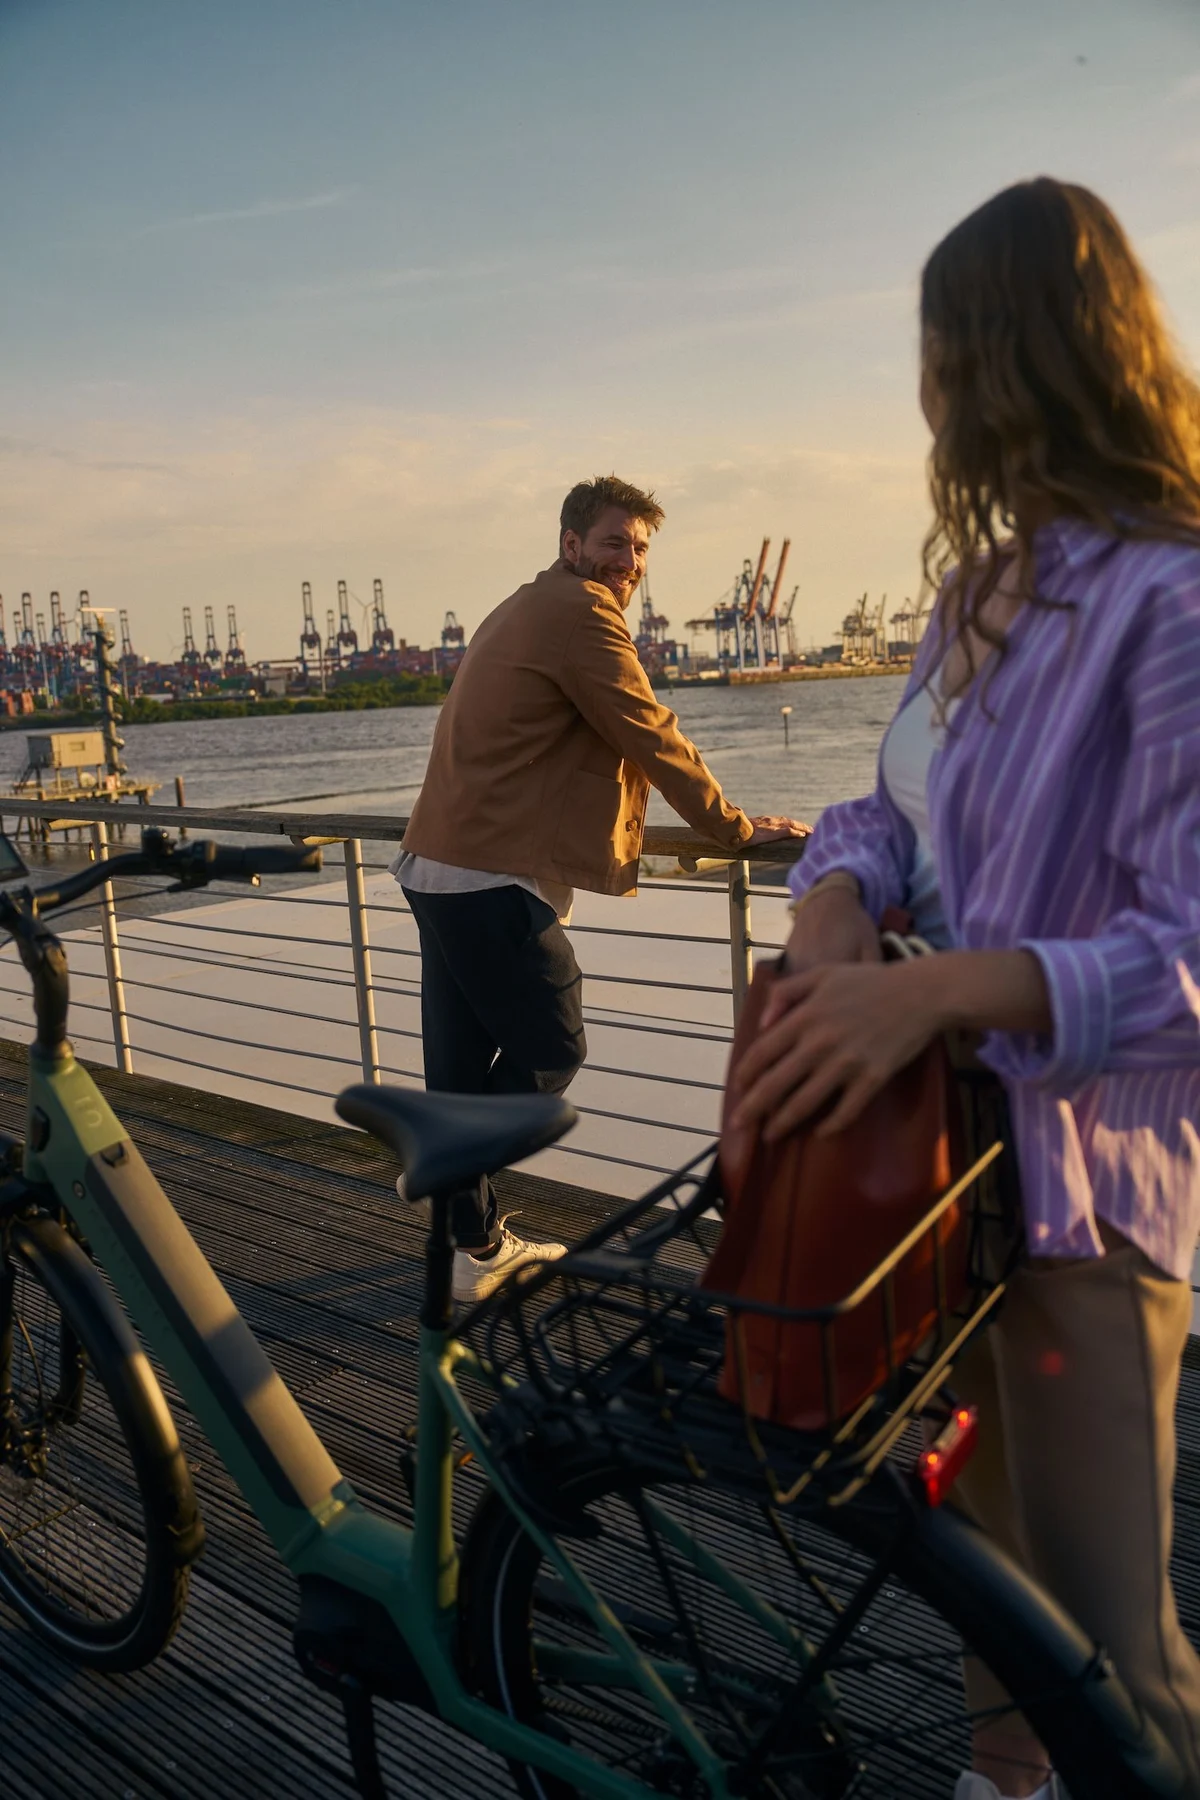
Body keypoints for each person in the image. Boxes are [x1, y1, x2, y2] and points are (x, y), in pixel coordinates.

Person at [730, 177, 1200, 1800]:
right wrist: (843, 903)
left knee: (1117, 1662)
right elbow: (888, 810)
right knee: (994, 1626)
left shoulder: (1176, 599)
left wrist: (939, 998)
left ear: (1003, 356)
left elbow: (1192, 957)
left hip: (1077, 1201)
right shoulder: (972, 595)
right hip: (936, 1188)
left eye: (937, 351)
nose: (922, 394)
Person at [395, 474, 807, 1303]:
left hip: (438, 864)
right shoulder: (580, 614)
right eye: (616, 543)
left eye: (642, 548)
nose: (630, 562)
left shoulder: (524, 605)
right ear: (572, 544)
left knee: (462, 1073)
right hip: (486, 873)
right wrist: (733, 830)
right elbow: (650, 731)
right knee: (554, 1044)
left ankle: (475, 1240)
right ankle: (447, 1168)